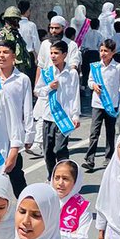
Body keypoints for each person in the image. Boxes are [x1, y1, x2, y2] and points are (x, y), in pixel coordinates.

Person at [0, 39, 35, 193]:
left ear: (13, 55)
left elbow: (27, 108)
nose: (1, 56)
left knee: (16, 174)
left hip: (14, 135)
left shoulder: (22, 80)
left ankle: (24, 204)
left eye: (5, 52)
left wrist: (29, 135)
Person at [34, 40, 81, 176]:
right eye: (51, 53)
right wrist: (49, 87)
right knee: (48, 151)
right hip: (48, 116)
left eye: (56, 53)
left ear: (64, 54)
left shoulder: (71, 74)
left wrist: (75, 115)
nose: (53, 56)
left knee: (60, 149)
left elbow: (74, 95)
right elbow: (37, 91)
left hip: (63, 118)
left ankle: (65, 176)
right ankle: (52, 176)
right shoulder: (47, 73)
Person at [85, 38, 120, 170]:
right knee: (94, 132)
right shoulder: (95, 66)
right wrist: (94, 85)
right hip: (97, 103)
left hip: (111, 104)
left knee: (110, 132)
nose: (103, 53)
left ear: (113, 52)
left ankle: (109, 157)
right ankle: (90, 159)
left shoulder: (118, 67)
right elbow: (90, 81)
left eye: (106, 51)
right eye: (101, 50)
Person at [52, 159, 93, 239]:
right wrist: (70, 235)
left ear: (75, 181)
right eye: (57, 178)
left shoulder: (82, 206)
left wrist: (50, 234)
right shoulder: (45, 200)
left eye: (65, 179)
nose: (60, 183)